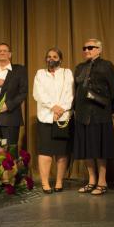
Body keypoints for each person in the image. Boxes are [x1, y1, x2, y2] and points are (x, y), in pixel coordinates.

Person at [73, 39, 114, 196]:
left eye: (90, 47)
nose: (87, 50)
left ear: (99, 50)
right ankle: (91, 180)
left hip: (100, 114)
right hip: (82, 114)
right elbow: (75, 89)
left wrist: (111, 109)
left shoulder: (106, 66)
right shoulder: (80, 67)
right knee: (87, 149)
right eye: (84, 47)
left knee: (101, 149)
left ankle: (102, 181)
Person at [33, 48, 74, 194]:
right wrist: (53, 107)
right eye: (49, 56)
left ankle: (59, 182)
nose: (51, 58)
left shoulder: (67, 73)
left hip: (63, 118)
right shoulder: (40, 74)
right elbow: (38, 93)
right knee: (45, 152)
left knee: (61, 152)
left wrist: (61, 109)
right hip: (45, 117)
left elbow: (70, 93)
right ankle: (45, 183)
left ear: (60, 59)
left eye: (55, 56)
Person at [0, 43, 28, 148]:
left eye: (4, 50)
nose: (2, 52)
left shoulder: (19, 70)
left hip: (10, 117)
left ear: (10, 54)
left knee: (9, 152)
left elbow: (23, 93)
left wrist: (7, 105)